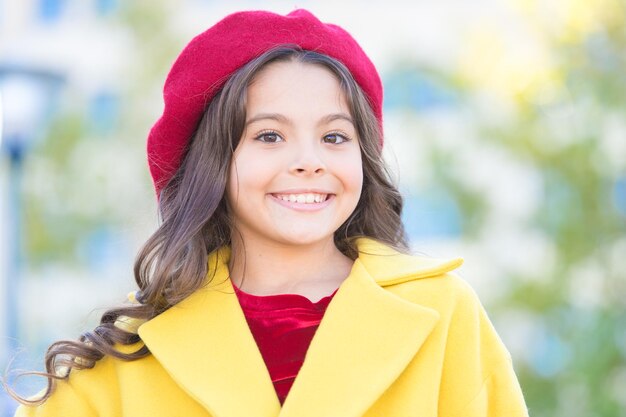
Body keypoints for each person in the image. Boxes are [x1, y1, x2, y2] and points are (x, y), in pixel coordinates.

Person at [10, 8, 529, 417]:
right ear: (212, 160)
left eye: (333, 136)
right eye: (269, 136)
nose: (308, 162)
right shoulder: (116, 367)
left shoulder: (444, 316)